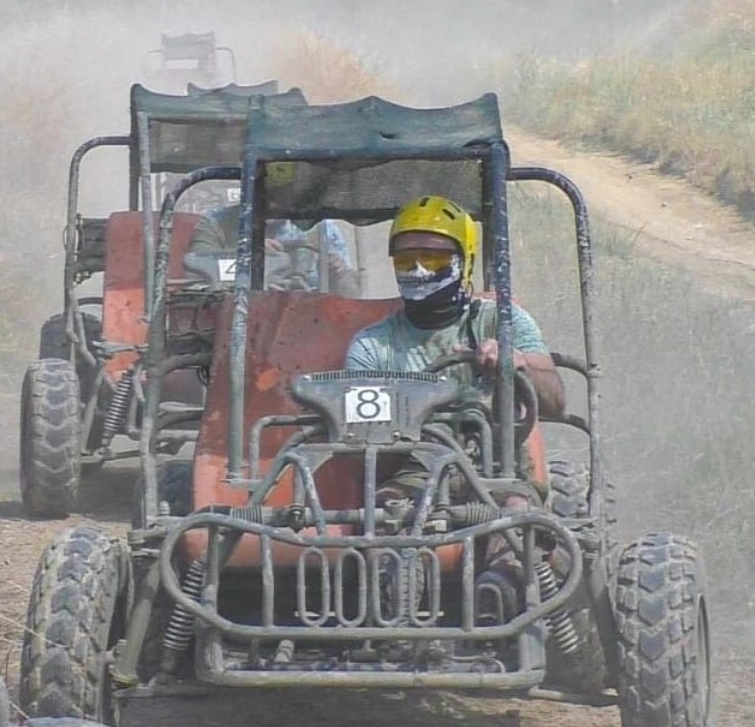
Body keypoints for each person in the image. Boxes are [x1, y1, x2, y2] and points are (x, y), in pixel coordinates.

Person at [345, 194, 564, 500]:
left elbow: (556, 402)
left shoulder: (501, 321)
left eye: (433, 258)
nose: (419, 269)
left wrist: (517, 364)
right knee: (384, 516)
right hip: (413, 473)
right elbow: (364, 456)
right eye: (406, 260)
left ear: (466, 260)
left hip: (499, 469)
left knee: (515, 520)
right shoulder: (371, 346)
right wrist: (409, 415)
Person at [184, 201, 360, 297]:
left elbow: (352, 299)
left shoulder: (320, 229)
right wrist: (248, 253)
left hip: (307, 326)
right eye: (260, 188)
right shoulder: (216, 224)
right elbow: (196, 282)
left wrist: (338, 274)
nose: (270, 201)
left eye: (279, 192)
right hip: (233, 321)